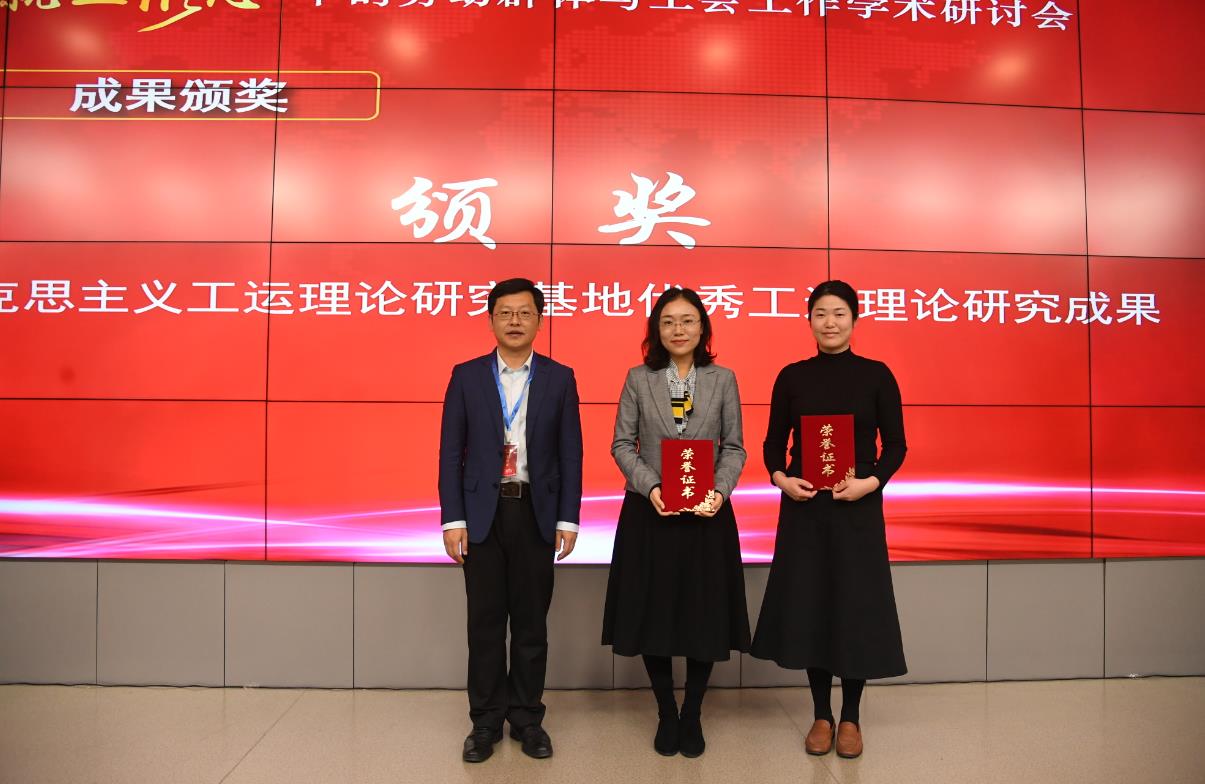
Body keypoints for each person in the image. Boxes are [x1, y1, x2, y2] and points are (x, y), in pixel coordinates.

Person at [750, 279, 907, 760]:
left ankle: (851, 717)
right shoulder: (792, 377)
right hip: (806, 509)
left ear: (854, 319)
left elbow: (895, 446)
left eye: (839, 313)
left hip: (857, 509)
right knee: (812, 606)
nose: (830, 322)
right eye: (821, 313)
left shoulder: (877, 375)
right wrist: (781, 478)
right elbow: (773, 443)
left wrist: (870, 483)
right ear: (809, 320)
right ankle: (822, 714)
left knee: (854, 608)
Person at [438, 278, 583, 763]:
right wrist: (452, 519)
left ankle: (526, 719)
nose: (515, 321)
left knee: (530, 624)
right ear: (491, 320)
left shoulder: (560, 378)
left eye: (524, 313)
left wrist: (568, 519)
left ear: (540, 320)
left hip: (536, 513)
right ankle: (484, 722)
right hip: (482, 516)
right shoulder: (466, 376)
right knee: (483, 624)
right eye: (505, 313)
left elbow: (571, 454)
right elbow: (450, 454)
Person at [602, 287, 750, 758]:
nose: (678, 330)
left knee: (704, 616)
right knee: (655, 615)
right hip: (651, 514)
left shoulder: (723, 379)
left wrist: (719, 492)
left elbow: (734, 447)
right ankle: (666, 712)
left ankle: (693, 713)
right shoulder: (638, 378)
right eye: (668, 322)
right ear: (656, 330)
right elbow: (622, 444)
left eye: (687, 321)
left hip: (707, 515)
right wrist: (652, 488)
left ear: (702, 328)